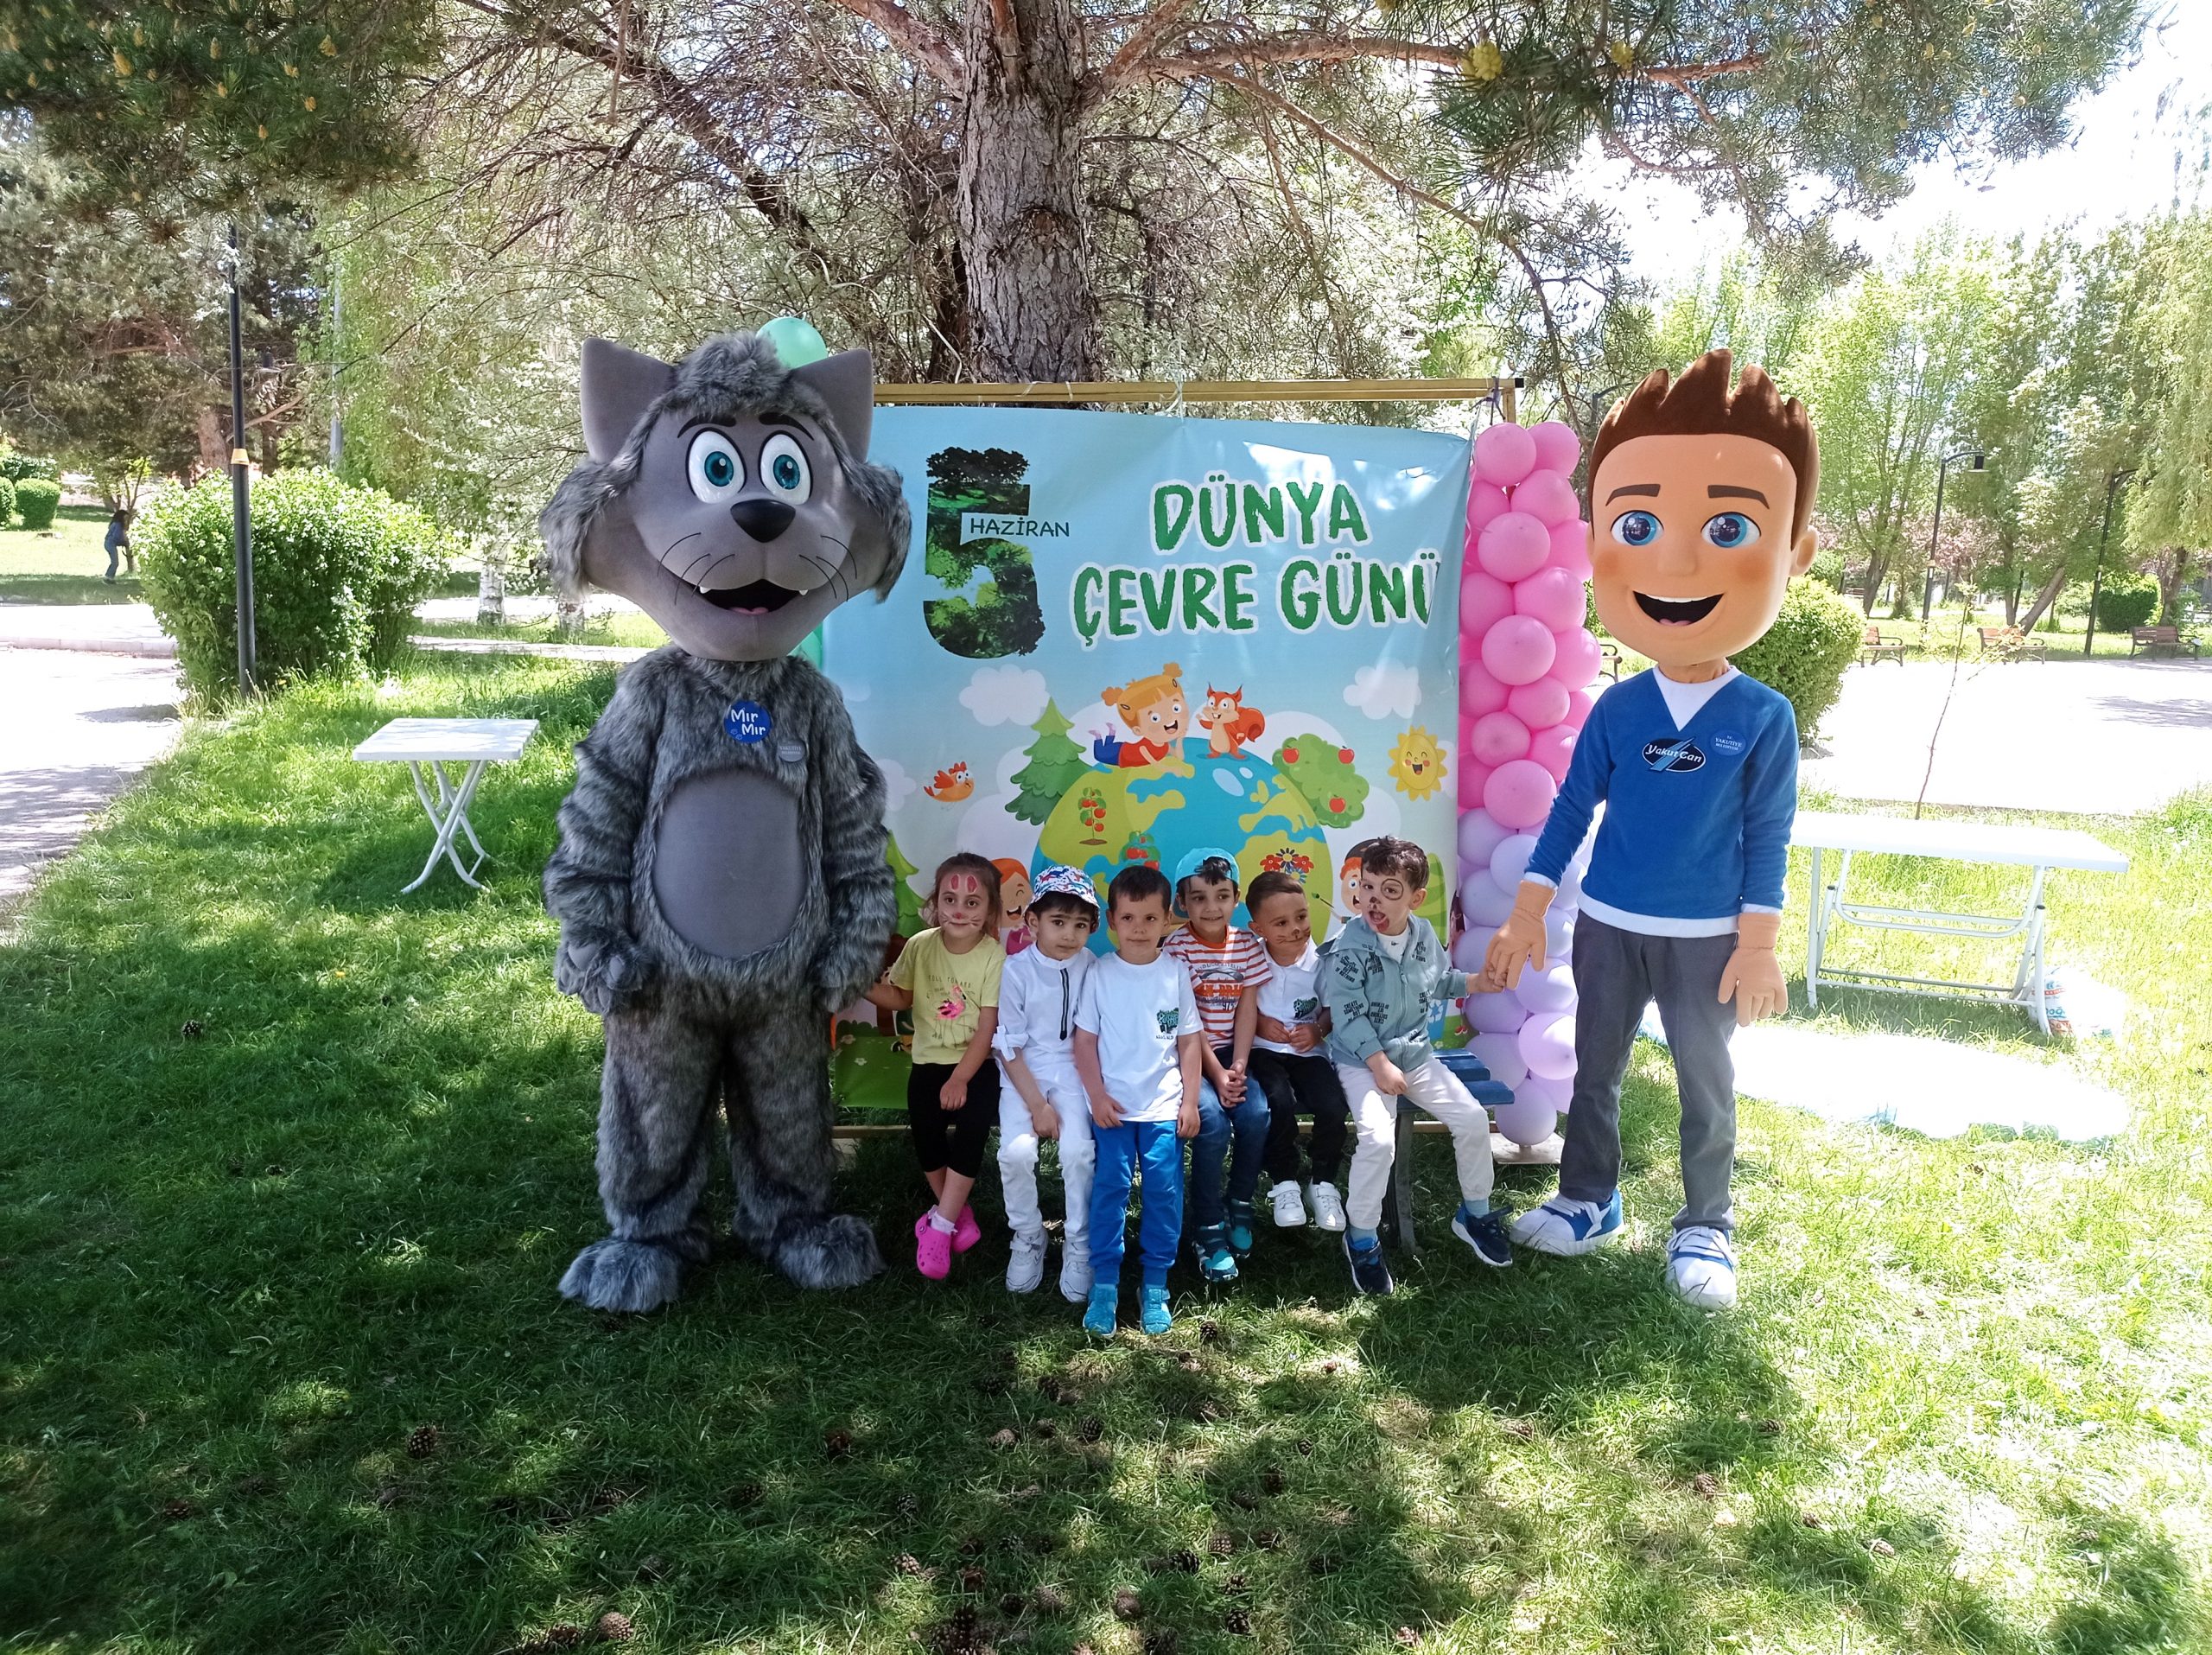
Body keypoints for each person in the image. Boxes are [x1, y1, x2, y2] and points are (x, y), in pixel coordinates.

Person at [1484, 348, 1814, 1312]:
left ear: (1792, 552)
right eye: (1637, 527)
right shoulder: (1618, 709)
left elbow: (1769, 834)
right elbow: (1569, 809)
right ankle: (1588, 1197)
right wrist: (1527, 911)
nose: (1675, 566)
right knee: (1596, 1068)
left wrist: (1758, 941)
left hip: (1705, 935)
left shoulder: (1763, 716)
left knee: (1707, 1082)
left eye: (1727, 528)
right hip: (1610, 924)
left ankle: (1705, 1223)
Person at [1320, 837, 1510, 1295]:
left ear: (1415, 898)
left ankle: (1475, 1214)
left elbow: (1437, 981)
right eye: (1366, 887)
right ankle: (1361, 1236)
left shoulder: (1422, 934)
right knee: (1378, 1140)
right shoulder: (1350, 945)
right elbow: (1347, 1015)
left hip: (1416, 1057)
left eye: (1389, 890)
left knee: (1472, 1119)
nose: (1373, 900)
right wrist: (1379, 1064)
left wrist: (1477, 982)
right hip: (1362, 1061)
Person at [1073, 863, 1203, 1336]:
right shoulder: (1100, 974)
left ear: (1167, 919)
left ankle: (1155, 1283)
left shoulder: (1175, 973)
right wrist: (1097, 1097)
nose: (1139, 928)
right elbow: (1084, 1043)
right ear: (1111, 921)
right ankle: (1105, 1282)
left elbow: (1189, 1042)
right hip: (1113, 1109)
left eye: (1150, 918)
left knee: (1164, 1190)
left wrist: (1190, 1102)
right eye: (1128, 918)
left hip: (1164, 1108)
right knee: (1110, 1187)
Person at [868, 852, 1006, 1280]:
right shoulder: (920, 945)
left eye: (972, 902)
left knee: (972, 1131)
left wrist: (961, 1078)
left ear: (990, 911)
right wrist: (858, 986)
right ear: (935, 902)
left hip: (976, 1064)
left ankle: (940, 1226)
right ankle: (957, 1213)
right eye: (950, 899)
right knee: (926, 1133)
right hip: (928, 1063)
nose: (959, 911)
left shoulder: (993, 956)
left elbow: (987, 1027)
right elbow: (900, 998)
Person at [1161, 848, 1274, 1283]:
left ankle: (1239, 1203)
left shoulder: (1246, 945)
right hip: (1189, 1055)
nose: (1212, 907)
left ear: (1236, 898)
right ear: (1182, 903)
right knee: (1210, 1121)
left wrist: (1239, 1065)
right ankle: (1206, 1225)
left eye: (1222, 896)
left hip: (1233, 1055)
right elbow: (1186, 1022)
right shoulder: (1176, 948)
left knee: (1256, 1114)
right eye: (1199, 898)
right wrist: (1216, 1073)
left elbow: (1248, 1009)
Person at [993, 865, 1102, 1300]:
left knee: (1078, 1152)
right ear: (1032, 921)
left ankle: (1079, 1241)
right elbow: (1008, 1047)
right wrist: (1038, 1105)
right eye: (1058, 922)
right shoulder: (1016, 970)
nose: (1069, 935)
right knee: (1016, 1153)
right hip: (1024, 1074)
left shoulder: (1091, 966)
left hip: (1075, 1071)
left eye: (1080, 925)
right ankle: (1028, 1234)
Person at [1244, 871, 1350, 1232]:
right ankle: (1284, 1180)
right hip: (1264, 1051)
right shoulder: (1251, 959)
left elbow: (1332, 1008)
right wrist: (1259, 1023)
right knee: (1279, 1100)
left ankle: (1323, 1182)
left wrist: (1317, 1030)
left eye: (1301, 917)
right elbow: (1240, 1005)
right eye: (1281, 923)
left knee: (1333, 1105)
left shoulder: (1322, 962)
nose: (1295, 929)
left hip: (1310, 1053)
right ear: (1258, 928)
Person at [103, 508, 133, 582]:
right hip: (110, 544)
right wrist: (124, 542)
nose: (126, 520)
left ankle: (109, 577)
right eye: (125, 518)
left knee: (115, 562)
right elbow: (117, 537)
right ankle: (108, 578)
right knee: (115, 562)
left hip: (109, 543)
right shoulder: (118, 525)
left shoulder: (115, 524)